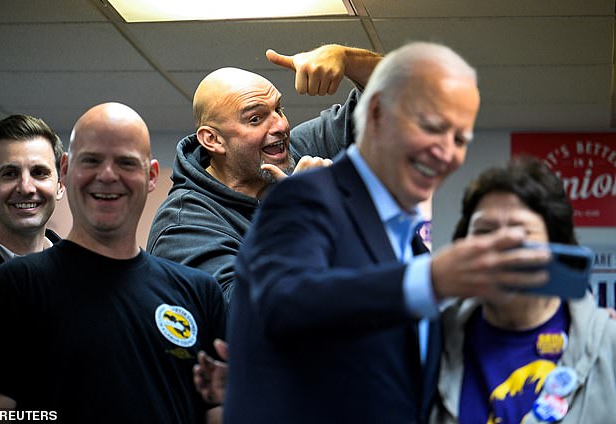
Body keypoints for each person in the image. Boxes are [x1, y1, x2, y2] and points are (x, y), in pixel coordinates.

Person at [223, 41, 550, 423]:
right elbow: (272, 310)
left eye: (459, 139)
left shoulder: (401, 236)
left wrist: (347, 59)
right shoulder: (285, 202)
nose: (445, 152)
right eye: (431, 127)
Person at [0, 103, 226, 423]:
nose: (108, 176)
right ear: (66, 171)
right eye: (91, 161)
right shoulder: (15, 286)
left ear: (151, 175)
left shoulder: (199, 291)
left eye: (126, 163)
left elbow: (217, 409)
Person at [147, 44, 382, 301]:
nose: (281, 125)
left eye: (278, 109)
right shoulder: (184, 224)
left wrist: (348, 59)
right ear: (213, 140)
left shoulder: (295, 152)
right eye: (256, 119)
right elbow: (241, 317)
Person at [431, 157, 616, 423]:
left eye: (520, 235)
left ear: (555, 248)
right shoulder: (433, 342)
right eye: (484, 231)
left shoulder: (608, 347)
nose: (500, 248)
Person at [0, 114, 64, 281]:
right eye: (10, 174)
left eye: (39, 173)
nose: (25, 188)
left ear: (60, 186)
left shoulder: (83, 275)